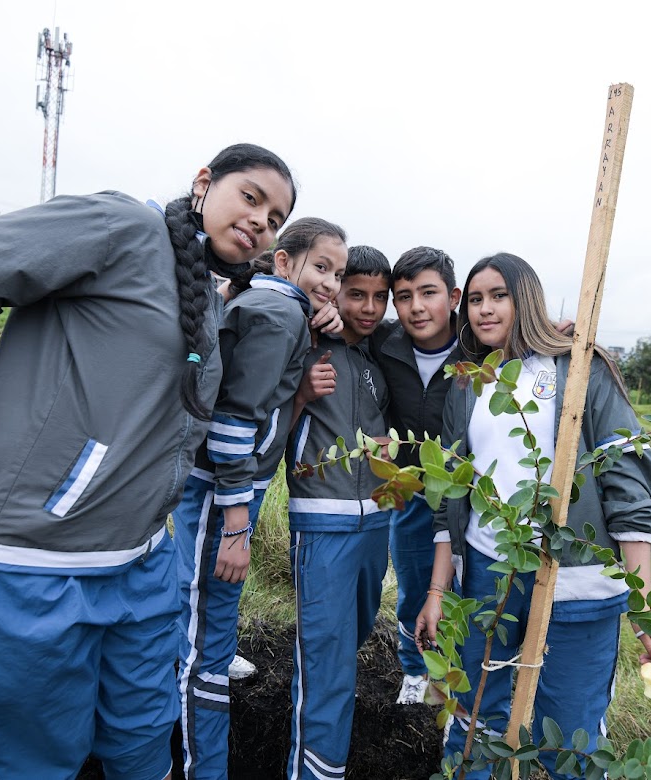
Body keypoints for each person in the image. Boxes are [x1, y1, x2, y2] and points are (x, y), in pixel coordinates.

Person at [0, 143, 296, 780]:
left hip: (139, 564)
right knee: (35, 760)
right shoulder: (123, 227)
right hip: (27, 560)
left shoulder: (209, 297)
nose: (260, 222)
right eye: (251, 197)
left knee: (141, 746)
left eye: (274, 220)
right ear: (204, 182)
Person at [415, 253, 651, 780]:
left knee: (571, 732)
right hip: (489, 575)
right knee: (475, 716)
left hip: (577, 580)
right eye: (477, 299)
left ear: (526, 298)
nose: (485, 310)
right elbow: (448, 495)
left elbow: (626, 483)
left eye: (499, 296)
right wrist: (438, 591)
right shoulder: (466, 384)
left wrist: (644, 605)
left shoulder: (580, 368)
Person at [175, 217, 348, 780]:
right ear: (282, 261)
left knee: (205, 626)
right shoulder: (277, 316)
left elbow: (267, 407)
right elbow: (233, 422)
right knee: (203, 652)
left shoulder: (278, 311)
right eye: (320, 267)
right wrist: (236, 525)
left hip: (218, 493)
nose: (329, 283)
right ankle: (205, 770)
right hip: (220, 498)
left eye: (337, 274)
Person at [285, 246, 393, 780]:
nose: (369, 308)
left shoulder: (379, 360)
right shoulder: (306, 341)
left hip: (377, 526)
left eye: (379, 297)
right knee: (325, 664)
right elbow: (262, 416)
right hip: (322, 525)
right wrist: (301, 396)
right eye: (356, 294)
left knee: (346, 653)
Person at [369, 246, 463, 704]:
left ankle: (457, 678)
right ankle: (414, 669)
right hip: (412, 494)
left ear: (454, 296)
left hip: (469, 498)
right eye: (404, 296)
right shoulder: (384, 344)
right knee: (412, 585)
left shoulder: (481, 349)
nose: (417, 307)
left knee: (464, 588)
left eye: (429, 292)